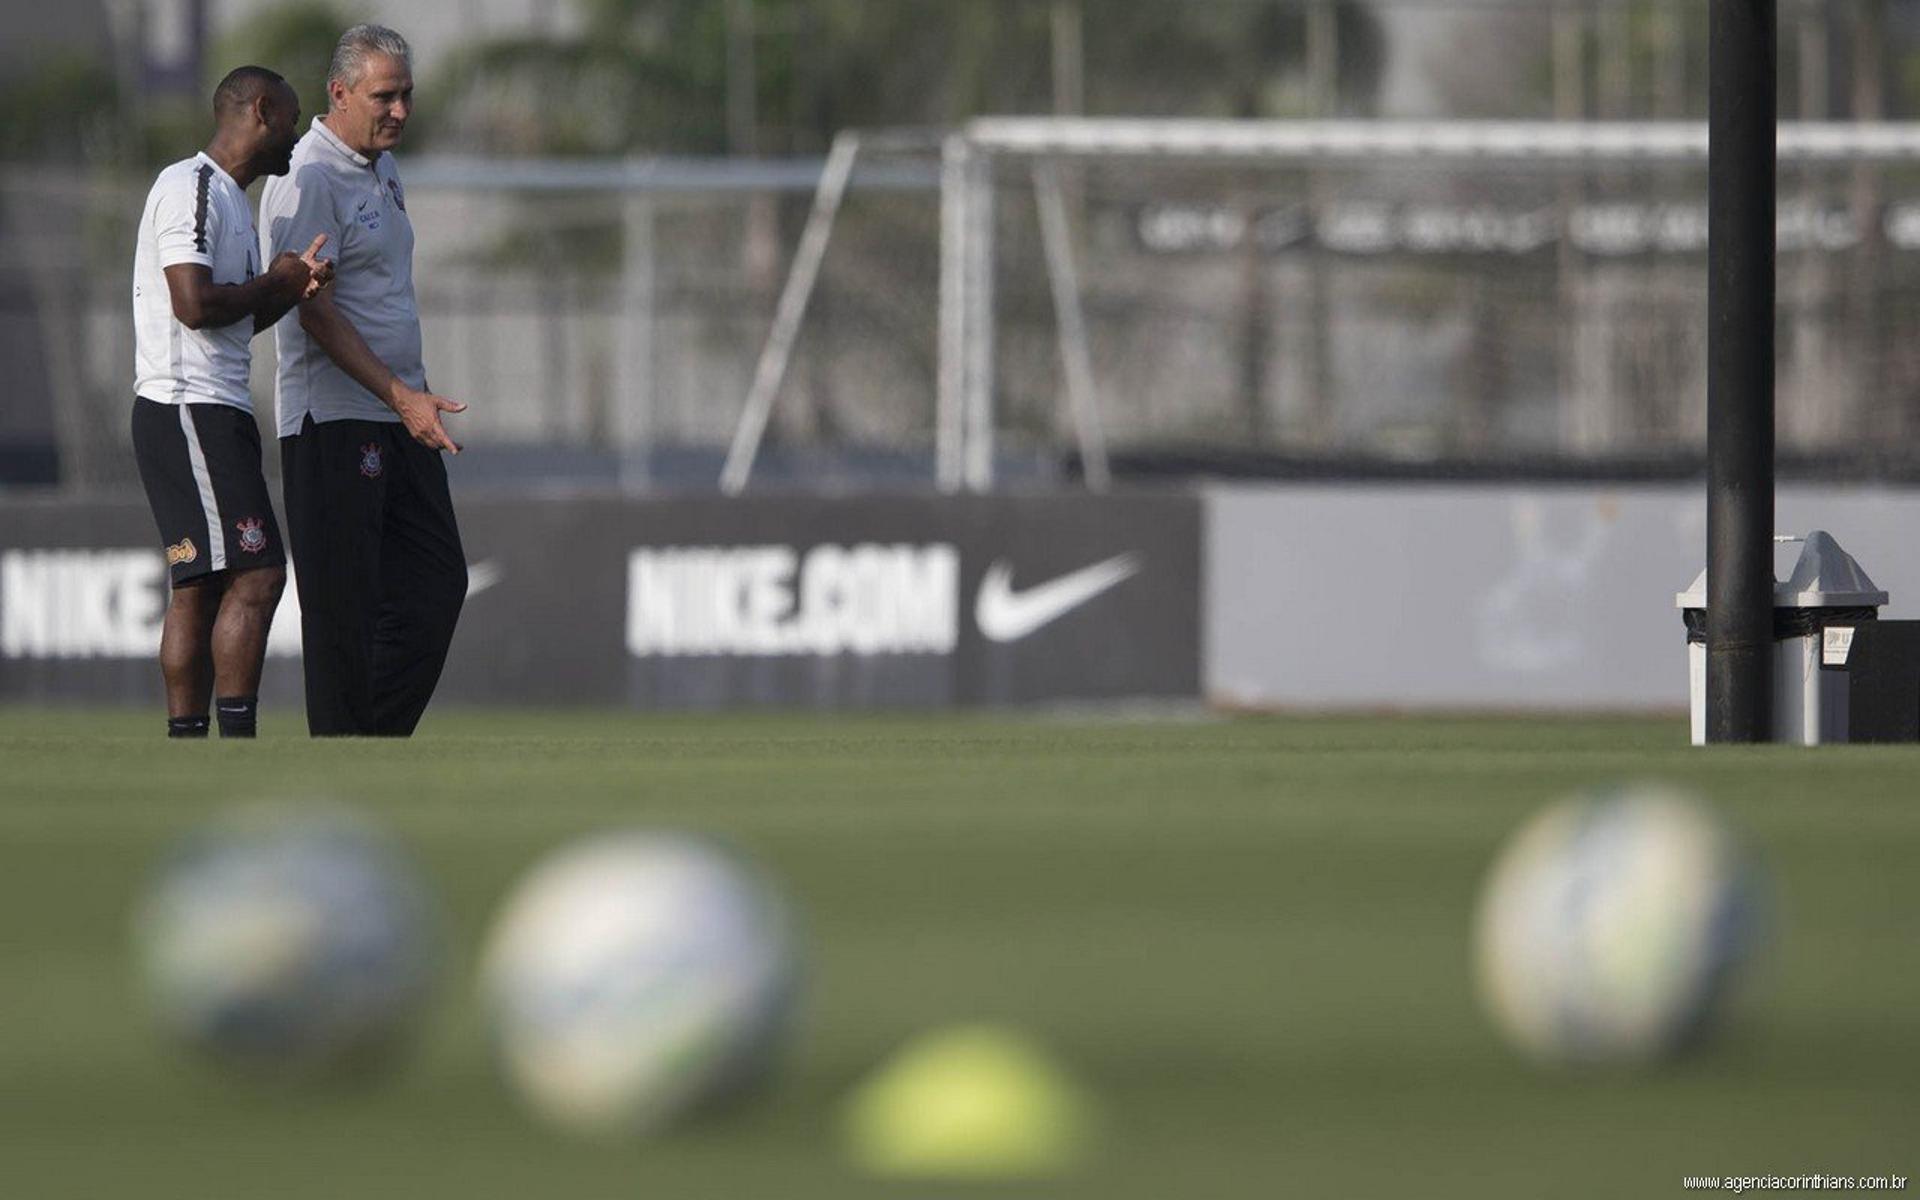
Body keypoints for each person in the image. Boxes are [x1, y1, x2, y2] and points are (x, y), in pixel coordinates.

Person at [262, 24, 470, 738]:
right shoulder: (309, 175)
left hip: (399, 411)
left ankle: (369, 749)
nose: (401, 111)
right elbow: (310, 310)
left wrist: (408, 395)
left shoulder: (380, 167)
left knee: (438, 587)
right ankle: (342, 762)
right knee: (342, 609)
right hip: (338, 419)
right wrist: (399, 393)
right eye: (386, 96)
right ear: (340, 93)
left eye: (408, 95)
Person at [131, 66, 333, 739]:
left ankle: (190, 747)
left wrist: (288, 288)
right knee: (259, 574)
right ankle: (236, 742)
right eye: (294, 119)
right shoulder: (190, 186)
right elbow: (194, 306)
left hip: (207, 407)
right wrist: (272, 279)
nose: (297, 136)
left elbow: (231, 317)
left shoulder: (232, 205)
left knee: (201, 584)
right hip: (188, 405)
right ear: (263, 110)